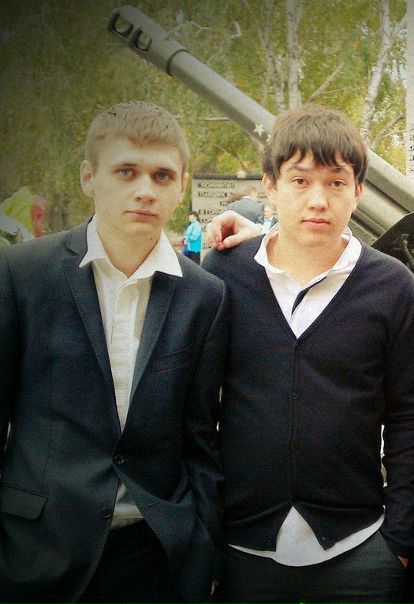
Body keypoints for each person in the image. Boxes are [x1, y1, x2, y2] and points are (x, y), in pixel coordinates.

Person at [0, 101, 228, 604]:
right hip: (36, 549)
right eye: (126, 171)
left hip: (156, 555)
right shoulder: (21, 274)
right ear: (89, 177)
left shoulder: (204, 296)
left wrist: (205, 548)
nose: (145, 189)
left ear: (181, 186)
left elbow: (200, 438)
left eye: (162, 175)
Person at [203, 105, 414, 604]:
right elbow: (196, 412)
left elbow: (408, 416)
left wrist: (400, 543)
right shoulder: (224, 276)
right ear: (270, 185)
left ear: (357, 190)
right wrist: (204, 537)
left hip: (361, 552)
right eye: (300, 180)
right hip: (241, 552)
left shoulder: (393, 287)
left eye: (336, 182)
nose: (318, 199)